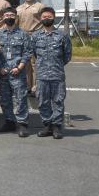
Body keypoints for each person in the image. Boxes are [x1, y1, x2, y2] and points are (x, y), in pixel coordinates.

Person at [32, 7, 72, 139]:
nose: (46, 18)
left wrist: (56, 65)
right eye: (44, 17)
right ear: (40, 18)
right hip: (42, 75)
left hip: (57, 75)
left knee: (58, 101)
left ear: (54, 17)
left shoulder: (62, 35)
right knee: (43, 101)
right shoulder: (36, 36)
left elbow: (67, 55)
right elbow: (34, 54)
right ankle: (47, 125)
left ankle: (56, 126)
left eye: (49, 16)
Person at [0, 7, 31, 137]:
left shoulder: (23, 34)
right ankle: (9, 122)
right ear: (3, 17)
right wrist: (0, 67)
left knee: (20, 98)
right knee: (5, 100)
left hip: (18, 73)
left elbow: (27, 52)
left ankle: (22, 124)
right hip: (4, 73)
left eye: (11, 15)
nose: (9, 17)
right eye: (6, 15)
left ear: (15, 17)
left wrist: (20, 67)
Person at [16, 0, 45, 95]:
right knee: (25, 62)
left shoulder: (40, 7)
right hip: (23, 37)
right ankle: (28, 85)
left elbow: (45, 22)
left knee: (36, 63)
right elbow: (16, 24)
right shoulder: (19, 8)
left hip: (36, 36)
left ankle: (36, 86)